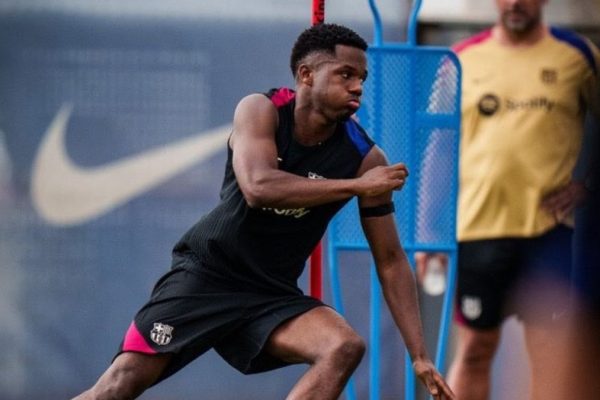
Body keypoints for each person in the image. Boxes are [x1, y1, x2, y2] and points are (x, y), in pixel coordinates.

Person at [72, 23, 455, 400]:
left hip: (271, 294)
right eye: (345, 74)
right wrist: (356, 187)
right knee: (118, 386)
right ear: (306, 75)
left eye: (362, 78)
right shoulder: (261, 110)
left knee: (343, 346)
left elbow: (390, 260)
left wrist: (419, 355)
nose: (357, 87)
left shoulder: (365, 158)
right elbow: (258, 187)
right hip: (207, 276)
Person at [416, 0, 599, 399]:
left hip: (549, 232)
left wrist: (588, 184)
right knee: (475, 350)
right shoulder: (459, 59)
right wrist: (428, 232)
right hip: (479, 229)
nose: (515, 3)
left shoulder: (578, 55)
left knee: (551, 354)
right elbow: (439, 145)